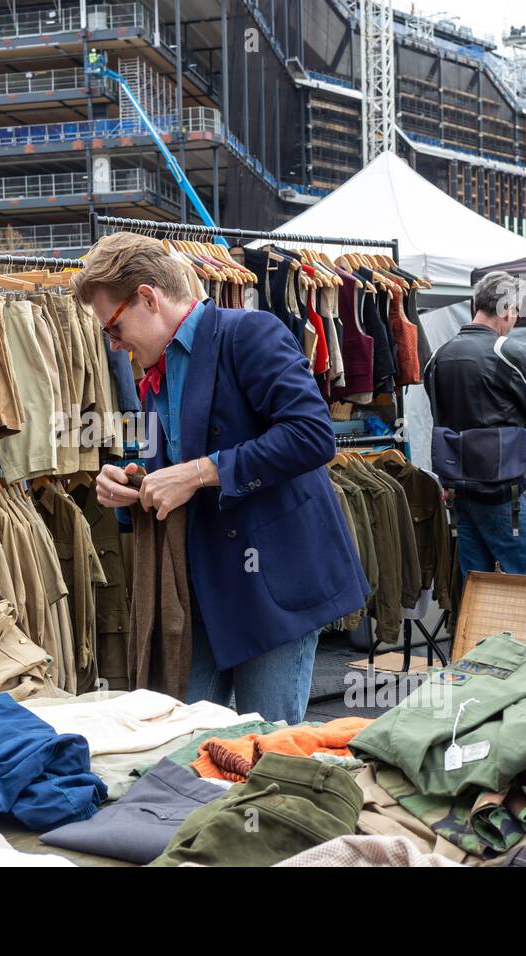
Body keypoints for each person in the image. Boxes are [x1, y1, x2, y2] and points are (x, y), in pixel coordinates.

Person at [76, 232, 368, 724]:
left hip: (274, 586)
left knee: (269, 748)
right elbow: (167, 470)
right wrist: (131, 487)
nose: (113, 343)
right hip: (201, 591)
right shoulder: (155, 374)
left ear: (148, 297)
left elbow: (313, 434)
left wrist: (199, 472)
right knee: (182, 740)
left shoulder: (249, 332)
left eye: (114, 325)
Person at [423, 270, 526, 579]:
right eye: (516, 311)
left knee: (477, 590)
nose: (515, 320)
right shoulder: (509, 354)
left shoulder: (437, 358)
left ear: (476, 303)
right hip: (506, 493)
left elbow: (441, 421)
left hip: (461, 493)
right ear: (505, 309)